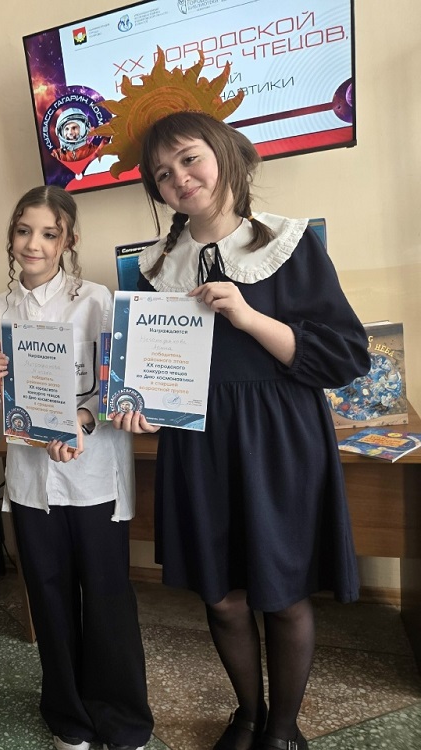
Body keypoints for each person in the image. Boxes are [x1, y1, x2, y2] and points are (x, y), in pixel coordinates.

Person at [110, 111, 369, 750]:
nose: (179, 178)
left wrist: (250, 318)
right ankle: (249, 715)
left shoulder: (290, 242)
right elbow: (153, 372)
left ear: (226, 154)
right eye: (162, 174)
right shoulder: (154, 269)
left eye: (189, 158)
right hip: (197, 444)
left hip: (279, 439)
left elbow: (345, 357)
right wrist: (144, 407)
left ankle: (283, 729)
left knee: (282, 595)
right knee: (222, 596)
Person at [0, 186, 153, 750]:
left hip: (94, 475)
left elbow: (117, 387)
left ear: (68, 241)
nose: (33, 244)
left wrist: (79, 421)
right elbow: (3, 405)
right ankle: (68, 717)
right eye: (24, 231)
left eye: (48, 233)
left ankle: (121, 719)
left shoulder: (97, 301)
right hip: (33, 483)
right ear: (12, 236)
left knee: (106, 599)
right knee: (49, 599)